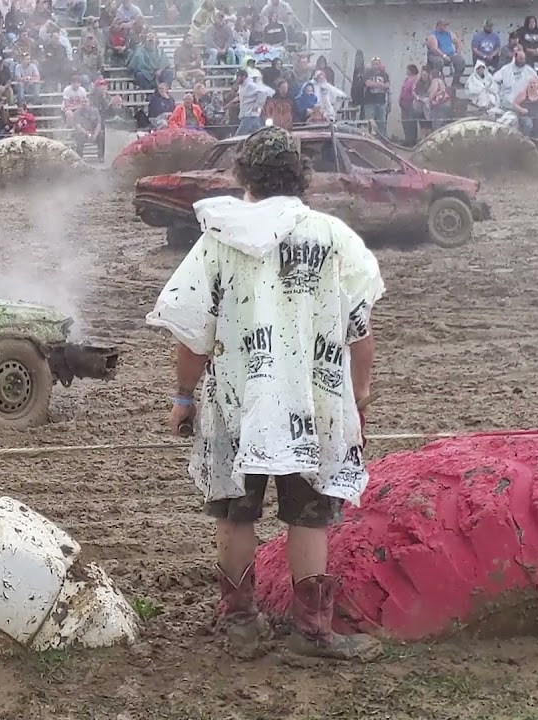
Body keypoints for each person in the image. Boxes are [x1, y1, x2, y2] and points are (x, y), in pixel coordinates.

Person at [145, 125, 384, 664]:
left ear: (244, 176)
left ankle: (239, 626)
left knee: (235, 513)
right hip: (312, 400)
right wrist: (359, 401)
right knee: (309, 516)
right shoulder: (332, 236)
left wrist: (184, 396)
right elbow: (360, 331)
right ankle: (312, 634)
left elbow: (190, 329)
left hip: (237, 401)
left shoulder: (219, 238)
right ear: (301, 176)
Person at [228, 69, 273, 135]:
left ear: (243, 77)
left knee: (239, 134)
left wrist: (257, 105)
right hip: (249, 113)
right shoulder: (243, 87)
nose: (237, 79)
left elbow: (263, 92)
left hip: (249, 114)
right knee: (258, 133)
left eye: (238, 77)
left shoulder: (250, 85)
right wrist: (229, 104)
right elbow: (241, 98)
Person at [425, 19, 465, 83]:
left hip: (450, 55)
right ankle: (440, 82)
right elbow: (434, 49)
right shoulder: (433, 35)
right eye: (444, 25)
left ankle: (456, 81)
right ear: (439, 26)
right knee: (439, 62)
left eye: (446, 25)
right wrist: (444, 56)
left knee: (460, 61)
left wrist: (457, 52)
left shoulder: (449, 33)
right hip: (435, 56)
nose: (446, 27)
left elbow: (458, 42)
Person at [361, 56, 389, 136]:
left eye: (377, 64)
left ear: (380, 65)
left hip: (381, 102)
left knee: (381, 122)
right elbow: (368, 84)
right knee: (369, 122)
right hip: (369, 102)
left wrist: (377, 85)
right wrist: (380, 85)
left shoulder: (384, 74)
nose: (375, 66)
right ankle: (369, 138)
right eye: (374, 64)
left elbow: (387, 85)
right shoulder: (367, 74)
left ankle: (384, 140)